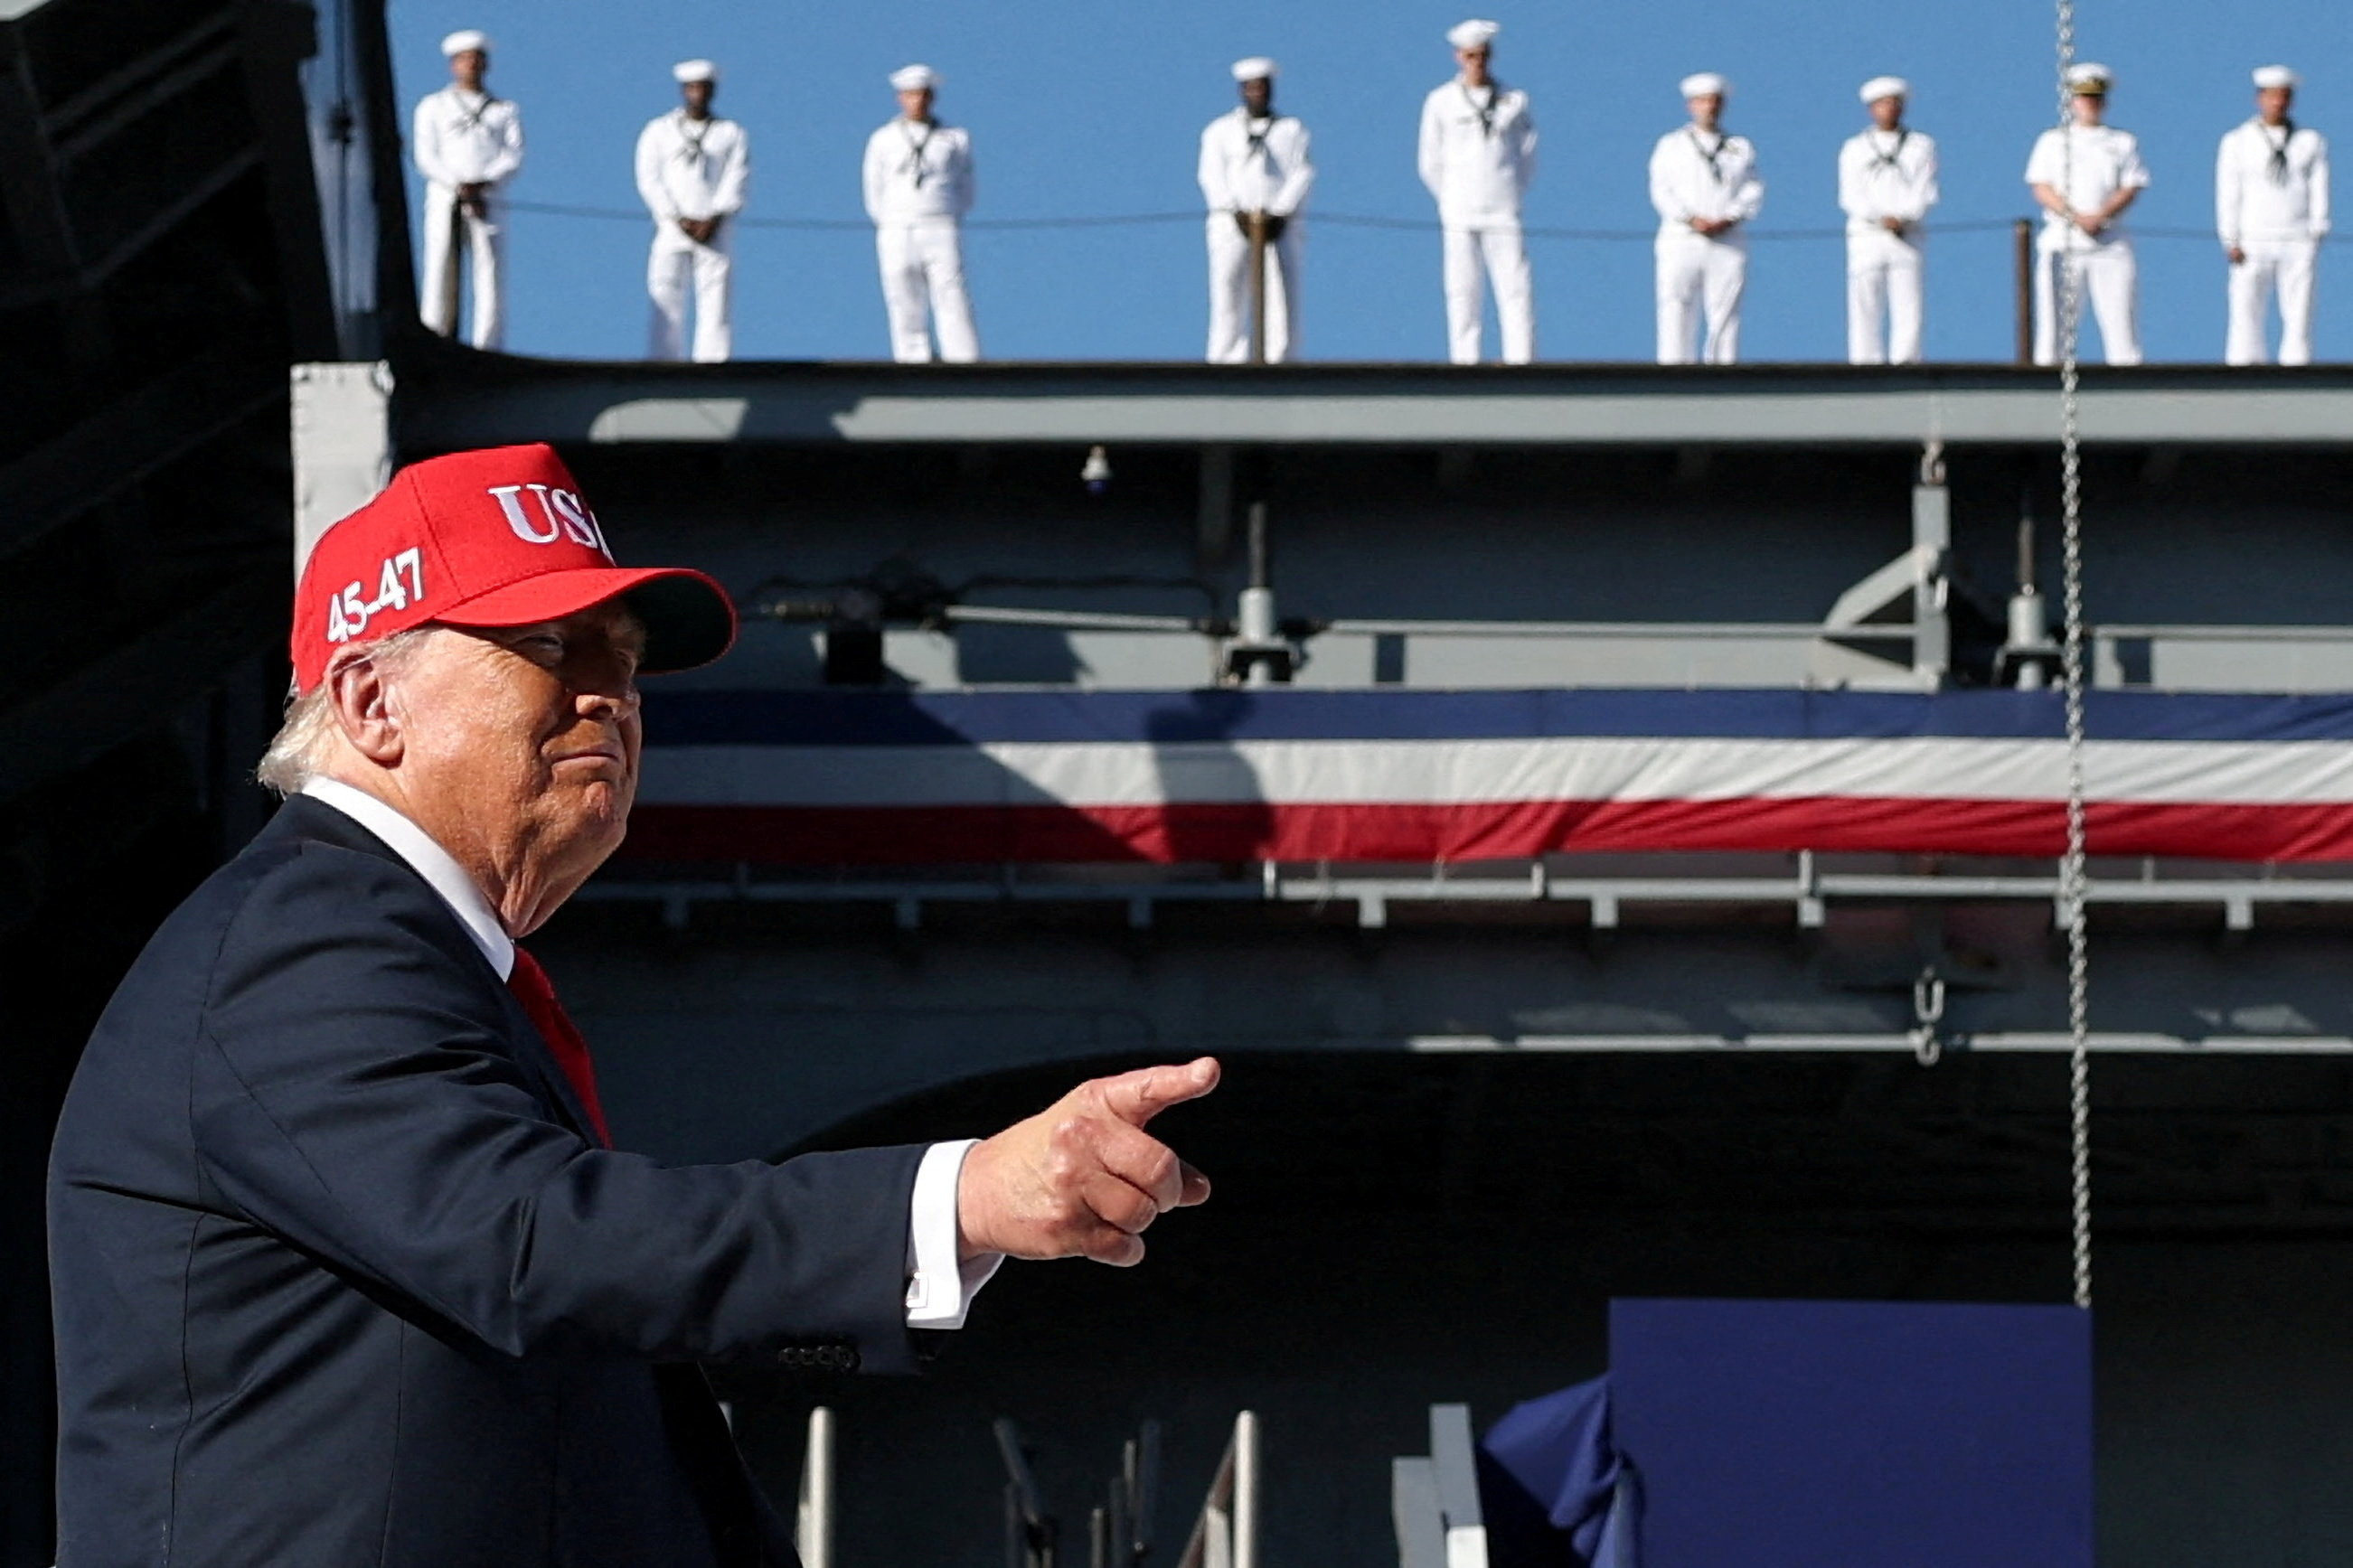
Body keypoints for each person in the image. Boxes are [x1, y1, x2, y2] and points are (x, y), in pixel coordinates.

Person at [48, 442, 1219, 1565]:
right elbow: (529, 1242)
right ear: (371, 703)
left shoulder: (401, 953)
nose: (613, 695)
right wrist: (958, 1193)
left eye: (622, 659)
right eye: (553, 644)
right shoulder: (306, 939)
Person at [1417, 19, 1539, 364]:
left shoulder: (1514, 101)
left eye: (1482, 55)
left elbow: (1528, 155)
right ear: (1458, 57)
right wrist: (1452, 197)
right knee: (1462, 289)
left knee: (1515, 286)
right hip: (1459, 207)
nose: (1477, 62)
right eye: (1470, 55)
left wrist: (1511, 191)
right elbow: (1429, 161)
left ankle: (1522, 359)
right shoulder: (1441, 101)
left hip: (1502, 206)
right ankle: (1465, 360)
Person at [2027, 62, 2150, 366]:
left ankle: (2127, 378)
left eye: (2095, 98)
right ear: (2071, 101)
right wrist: (2075, 217)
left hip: (2110, 241)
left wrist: (2101, 215)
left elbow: (2132, 185)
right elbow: (2041, 186)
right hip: (2064, 239)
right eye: (2083, 97)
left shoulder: (2121, 142)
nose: (2089, 104)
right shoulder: (2052, 140)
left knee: (2121, 322)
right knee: (2054, 327)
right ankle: (2049, 377)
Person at [412, 29, 523, 349]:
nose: (471, 66)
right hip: (446, 196)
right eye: (465, 60)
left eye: (477, 60)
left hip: (488, 199)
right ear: (453, 65)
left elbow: (513, 154)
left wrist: (482, 182)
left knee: (489, 271)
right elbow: (426, 155)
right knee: (439, 266)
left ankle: (488, 342)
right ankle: (435, 332)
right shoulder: (433, 106)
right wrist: (457, 184)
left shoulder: (504, 110)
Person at [1200, 57, 1314, 363]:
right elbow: (1211, 176)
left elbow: (1302, 172)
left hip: (1279, 225)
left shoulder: (1292, 130)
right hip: (1231, 226)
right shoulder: (1219, 131)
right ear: (1241, 91)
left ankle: (1281, 358)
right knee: (1228, 294)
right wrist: (1232, 210)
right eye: (1250, 88)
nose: (1257, 93)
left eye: (1262, 87)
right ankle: (1227, 359)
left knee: (1281, 297)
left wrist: (1281, 211)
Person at [862, 64, 979, 363]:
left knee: (950, 290)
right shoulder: (883, 139)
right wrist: (891, 219)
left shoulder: (954, 138)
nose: (918, 101)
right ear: (900, 98)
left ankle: (961, 356)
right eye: (911, 95)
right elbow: (873, 190)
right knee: (902, 290)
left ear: (933, 98)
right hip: (897, 224)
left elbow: (966, 187)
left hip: (940, 221)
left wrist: (948, 212)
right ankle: (912, 356)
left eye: (924, 95)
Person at [636, 60, 750, 363]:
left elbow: (737, 177)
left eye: (704, 88)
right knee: (665, 293)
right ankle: (663, 359)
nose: (698, 94)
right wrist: (676, 216)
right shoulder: (659, 130)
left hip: (714, 228)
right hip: (673, 228)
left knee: (716, 300)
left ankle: (713, 361)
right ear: (684, 91)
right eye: (693, 87)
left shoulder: (730, 132)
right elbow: (649, 178)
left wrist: (715, 216)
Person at [2217, 64, 2329, 366]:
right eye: (2272, 96)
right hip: (2253, 235)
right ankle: (2244, 364)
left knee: (2299, 308)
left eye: (2284, 96)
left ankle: (2297, 363)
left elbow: (2319, 187)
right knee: (2246, 305)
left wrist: (2317, 229)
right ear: (2259, 99)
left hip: (2297, 236)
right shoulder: (2237, 141)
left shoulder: (2310, 141)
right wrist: (2230, 237)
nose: (2278, 103)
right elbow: (2228, 192)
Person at [1650, 72, 1765, 364]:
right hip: (1682, 238)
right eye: (1702, 101)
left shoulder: (1739, 147)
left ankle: (1723, 368)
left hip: (1727, 239)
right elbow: (1661, 189)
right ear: (1691, 106)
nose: (1709, 107)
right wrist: (1690, 218)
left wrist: (1730, 217)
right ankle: (1674, 368)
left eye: (1714, 101)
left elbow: (1753, 188)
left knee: (1725, 310)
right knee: (1677, 305)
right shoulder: (1672, 145)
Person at [1839, 76, 1939, 365]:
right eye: (1882, 104)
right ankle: (1864, 360)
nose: (1889, 109)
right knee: (1865, 301)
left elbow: (1927, 190)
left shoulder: (1922, 145)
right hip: (1867, 234)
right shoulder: (1855, 147)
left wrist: (1904, 217)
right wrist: (1880, 218)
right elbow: (1850, 195)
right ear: (1871, 109)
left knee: (1908, 302)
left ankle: (1907, 360)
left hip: (1908, 234)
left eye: (1895, 103)